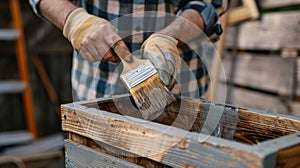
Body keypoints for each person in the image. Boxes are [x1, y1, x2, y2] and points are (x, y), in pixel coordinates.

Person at [29, 0, 221, 101]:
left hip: (182, 97)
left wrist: (169, 37)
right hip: (93, 95)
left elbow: (210, 5)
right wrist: (73, 20)